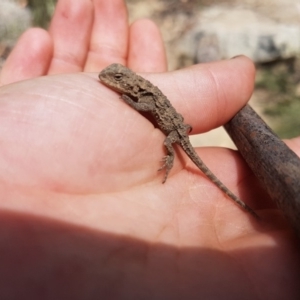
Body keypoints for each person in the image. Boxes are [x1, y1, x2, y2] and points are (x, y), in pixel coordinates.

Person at [0, 0, 299, 299]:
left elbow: (146, 106)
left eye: (117, 79)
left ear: (128, 83)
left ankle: (182, 169)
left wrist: (136, 111)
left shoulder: (140, 95)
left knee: (173, 147)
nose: (110, 81)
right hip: (177, 123)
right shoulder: (138, 86)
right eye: (114, 78)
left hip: (174, 131)